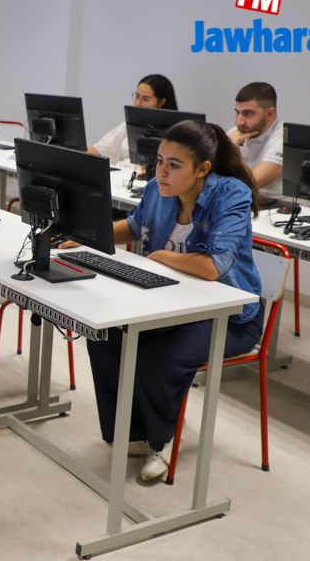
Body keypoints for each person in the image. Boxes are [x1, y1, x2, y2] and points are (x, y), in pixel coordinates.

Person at [66, 119, 264, 482]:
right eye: (159, 161)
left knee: (159, 357)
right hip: (166, 304)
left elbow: (214, 266)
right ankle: (134, 432)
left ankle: (164, 440)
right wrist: (87, 236)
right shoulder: (159, 189)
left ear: (202, 169)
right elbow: (134, 225)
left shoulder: (230, 194)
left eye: (174, 165)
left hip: (230, 318)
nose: (161, 172)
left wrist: (158, 257)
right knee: (105, 335)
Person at [87, 73, 178, 165]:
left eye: (145, 99)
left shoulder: (175, 132)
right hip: (121, 172)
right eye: (137, 96)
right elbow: (101, 148)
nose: (137, 103)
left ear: (162, 102)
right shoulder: (131, 122)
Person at [227, 82, 283, 199]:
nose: (239, 121)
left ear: (270, 114)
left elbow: (248, 185)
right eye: (237, 113)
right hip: (244, 202)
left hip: (276, 205)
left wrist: (232, 150)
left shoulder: (284, 139)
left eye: (247, 113)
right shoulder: (235, 133)